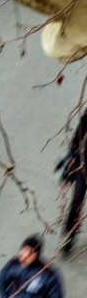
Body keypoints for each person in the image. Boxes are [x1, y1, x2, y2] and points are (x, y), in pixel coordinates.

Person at [59, 108, 87, 256]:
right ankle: (69, 235)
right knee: (76, 201)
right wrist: (71, 155)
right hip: (84, 166)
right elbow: (79, 135)